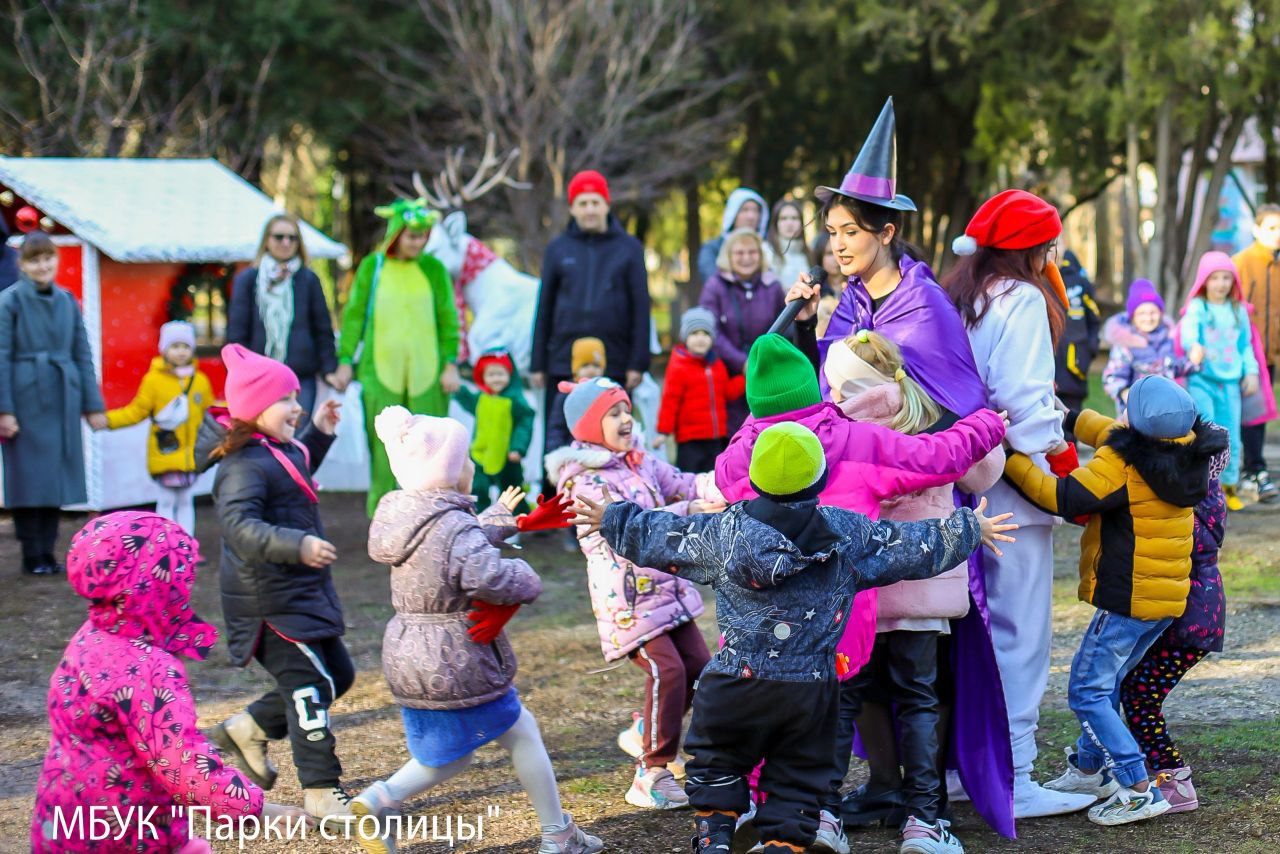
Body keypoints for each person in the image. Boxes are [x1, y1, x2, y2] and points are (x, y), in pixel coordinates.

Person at [576, 421, 1016, 854]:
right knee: (798, 778)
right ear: (821, 477)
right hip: (810, 690)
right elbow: (907, 544)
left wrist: (614, 519)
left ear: (754, 478)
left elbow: (667, 536)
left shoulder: (724, 533)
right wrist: (968, 530)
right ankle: (783, 843)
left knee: (718, 762)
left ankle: (714, 839)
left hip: (734, 682)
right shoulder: (847, 534)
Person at [784, 98, 1024, 836]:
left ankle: (926, 800)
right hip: (858, 515)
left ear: (887, 231)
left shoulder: (923, 308)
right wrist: (805, 332)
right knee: (866, 666)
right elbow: (824, 399)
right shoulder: (848, 304)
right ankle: (886, 786)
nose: (838, 246)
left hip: (920, 515)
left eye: (850, 232)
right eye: (831, 233)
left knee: (920, 666)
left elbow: (956, 402)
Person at [715, 333, 1006, 851]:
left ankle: (816, 813)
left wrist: (752, 424)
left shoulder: (747, 459)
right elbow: (940, 457)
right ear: (814, 389)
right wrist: (986, 420)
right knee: (918, 699)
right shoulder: (853, 440)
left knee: (828, 708)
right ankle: (923, 819)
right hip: (860, 610)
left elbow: (722, 475)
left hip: (783, 622)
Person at [350, 406, 602, 854]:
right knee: (520, 732)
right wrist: (526, 577)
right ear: (448, 473)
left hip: (411, 654)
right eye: (464, 461)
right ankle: (557, 834)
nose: (471, 467)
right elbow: (482, 573)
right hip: (458, 656)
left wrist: (499, 517)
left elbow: (452, 542)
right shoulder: (451, 526)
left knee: (448, 751)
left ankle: (379, 801)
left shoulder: (407, 517)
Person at [1004, 376, 1226, 826]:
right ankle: (1091, 770)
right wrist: (1068, 417)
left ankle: (1136, 786)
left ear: (1139, 424)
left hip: (1127, 600)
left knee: (1087, 692)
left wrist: (1007, 457)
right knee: (1110, 683)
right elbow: (1113, 433)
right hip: (1165, 600)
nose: (1119, 417)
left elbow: (1062, 496)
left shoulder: (1122, 465)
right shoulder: (1186, 451)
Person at [943, 189, 1099, 819]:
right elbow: (1026, 400)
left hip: (959, 479)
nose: (1053, 254)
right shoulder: (1024, 298)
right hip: (1016, 482)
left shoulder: (962, 295)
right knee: (1020, 631)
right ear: (1032, 247)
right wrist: (1063, 467)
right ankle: (1014, 772)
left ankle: (964, 768)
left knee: (970, 629)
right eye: (1049, 243)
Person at [823, 330, 1006, 850]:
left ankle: (840, 808)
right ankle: (925, 816)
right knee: (922, 696)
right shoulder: (929, 417)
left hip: (857, 590)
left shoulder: (835, 427)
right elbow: (984, 474)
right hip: (925, 588)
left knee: (852, 695)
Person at [31, 512, 307, 853]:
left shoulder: (89, 639)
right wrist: (256, 808)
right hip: (126, 832)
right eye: (177, 576)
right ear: (152, 585)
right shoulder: (147, 668)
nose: (183, 585)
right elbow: (180, 761)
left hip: (64, 821)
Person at [546, 377, 723, 810]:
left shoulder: (639, 462)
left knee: (702, 672)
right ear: (589, 426)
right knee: (668, 671)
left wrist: (726, 483)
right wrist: (688, 512)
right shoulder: (583, 483)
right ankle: (651, 770)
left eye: (627, 409)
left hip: (667, 589)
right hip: (628, 601)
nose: (627, 419)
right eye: (614, 413)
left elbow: (684, 481)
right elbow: (626, 525)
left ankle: (646, 728)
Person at [198, 344, 354, 820]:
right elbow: (240, 528)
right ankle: (321, 790)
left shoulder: (275, 450)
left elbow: (292, 476)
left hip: (298, 592)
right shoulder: (242, 465)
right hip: (270, 601)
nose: (297, 406)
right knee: (309, 686)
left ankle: (249, 727)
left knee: (338, 676)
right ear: (255, 408)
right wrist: (297, 544)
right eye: (287, 399)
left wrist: (319, 436)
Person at [1118, 425, 1230, 814]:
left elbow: (1190, 542)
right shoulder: (1205, 492)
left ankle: (1172, 780)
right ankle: (1132, 768)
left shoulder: (1195, 498)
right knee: (1131, 688)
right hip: (1195, 617)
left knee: (1139, 695)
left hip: (1191, 623)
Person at [334, 198, 461, 516]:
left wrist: (450, 364)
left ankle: (433, 517)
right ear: (396, 235)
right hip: (379, 373)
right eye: (412, 236)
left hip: (428, 374)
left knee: (432, 444)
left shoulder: (433, 269)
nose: (419, 242)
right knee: (384, 447)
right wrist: (345, 360)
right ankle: (384, 519)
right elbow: (353, 317)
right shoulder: (372, 267)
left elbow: (448, 317)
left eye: (423, 236)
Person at [530, 170, 651, 479]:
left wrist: (638, 361)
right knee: (560, 434)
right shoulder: (558, 248)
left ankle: (618, 503)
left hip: (614, 359)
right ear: (572, 208)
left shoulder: (628, 248)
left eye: (595, 202)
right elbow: (544, 306)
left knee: (612, 434)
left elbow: (641, 308)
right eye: (582, 203)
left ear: (606, 205)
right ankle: (557, 511)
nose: (589, 209)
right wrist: (538, 363)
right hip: (563, 362)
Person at [0, 231, 106, 576]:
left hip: (62, 396)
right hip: (25, 397)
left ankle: (47, 551)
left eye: (48, 258)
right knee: (27, 477)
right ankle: (32, 553)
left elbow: (82, 353)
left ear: (57, 260)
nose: (43, 265)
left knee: (54, 477)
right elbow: (0, 357)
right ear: (22, 264)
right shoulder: (8, 303)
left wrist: (93, 405)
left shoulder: (67, 301)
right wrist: (5, 410)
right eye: (35, 259)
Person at [102, 320, 213, 534]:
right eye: (175, 346)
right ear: (164, 350)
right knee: (166, 499)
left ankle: (185, 545)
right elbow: (137, 411)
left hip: (192, 456)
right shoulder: (153, 381)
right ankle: (165, 544)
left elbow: (210, 411)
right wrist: (108, 420)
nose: (181, 352)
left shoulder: (200, 381)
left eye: (185, 346)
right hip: (166, 453)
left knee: (185, 500)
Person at [228, 213, 339, 415]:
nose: (286, 242)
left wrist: (329, 369)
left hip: (300, 376)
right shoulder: (248, 280)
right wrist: (241, 370)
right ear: (267, 240)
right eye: (279, 237)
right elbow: (237, 331)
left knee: (298, 438)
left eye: (292, 237)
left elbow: (322, 329)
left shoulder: (308, 279)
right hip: (259, 376)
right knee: (262, 438)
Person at [1178, 252, 1262, 510]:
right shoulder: (1198, 307)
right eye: (1215, 278)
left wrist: (1251, 371)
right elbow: (1188, 332)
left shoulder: (1238, 310)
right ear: (1204, 280)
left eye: (1226, 278)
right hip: (1202, 380)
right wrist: (1193, 346)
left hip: (1231, 384)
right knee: (1206, 434)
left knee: (1231, 436)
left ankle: (1229, 487)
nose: (1221, 284)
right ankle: (1205, 488)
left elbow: (1245, 345)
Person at [698, 228, 786, 432]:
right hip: (727, 379)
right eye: (739, 253)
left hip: (766, 374)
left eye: (752, 252)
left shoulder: (772, 286)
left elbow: (784, 328)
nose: (746, 258)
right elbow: (711, 331)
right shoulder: (715, 286)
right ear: (728, 255)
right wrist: (741, 362)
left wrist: (762, 358)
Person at [654, 306, 745, 472]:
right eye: (695, 334)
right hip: (690, 439)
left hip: (715, 437)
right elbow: (670, 400)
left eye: (705, 334)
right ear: (685, 337)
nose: (700, 339)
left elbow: (728, 392)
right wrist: (663, 432)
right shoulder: (679, 366)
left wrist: (746, 378)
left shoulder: (716, 364)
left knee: (713, 477)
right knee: (690, 477)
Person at [1232, 203, 1280, 502]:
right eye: (1272, 228)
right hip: (1242, 355)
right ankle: (1246, 470)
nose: (1277, 234)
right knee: (1240, 413)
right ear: (1257, 229)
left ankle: (1254, 469)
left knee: (1258, 413)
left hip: (1269, 354)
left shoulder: (1276, 265)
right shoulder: (1241, 262)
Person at [453, 348, 535, 512]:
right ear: (483, 377)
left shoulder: (515, 400)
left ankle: (520, 519)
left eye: (500, 374)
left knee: (511, 490)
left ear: (510, 375)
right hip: (480, 453)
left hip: (506, 456)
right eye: (491, 375)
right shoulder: (481, 398)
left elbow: (524, 425)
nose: (496, 379)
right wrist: (458, 390)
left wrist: (517, 448)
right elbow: (468, 400)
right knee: (478, 487)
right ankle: (479, 516)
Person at [1102, 279, 1195, 416]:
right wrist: (1125, 393)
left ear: (1161, 314)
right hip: (1137, 413)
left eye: (1153, 312)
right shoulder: (1126, 344)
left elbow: (1176, 368)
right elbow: (1112, 377)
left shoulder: (1168, 339)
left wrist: (1193, 361)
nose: (1149, 318)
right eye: (1142, 313)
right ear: (1133, 316)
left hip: (1168, 410)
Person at [1054, 249, 1102, 418]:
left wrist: (1091, 348)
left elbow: (1094, 317)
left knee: (1071, 420)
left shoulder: (1081, 284)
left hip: (1074, 364)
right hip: (1052, 366)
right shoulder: (1041, 281)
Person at [696, 187, 769, 284]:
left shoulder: (768, 247)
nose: (751, 216)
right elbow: (712, 282)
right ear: (733, 213)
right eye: (744, 210)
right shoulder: (713, 249)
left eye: (755, 210)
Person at [766, 199, 810, 288]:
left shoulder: (810, 254)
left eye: (794, 218)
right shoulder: (765, 252)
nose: (789, 223)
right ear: (775, 223)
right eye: (783, 218)